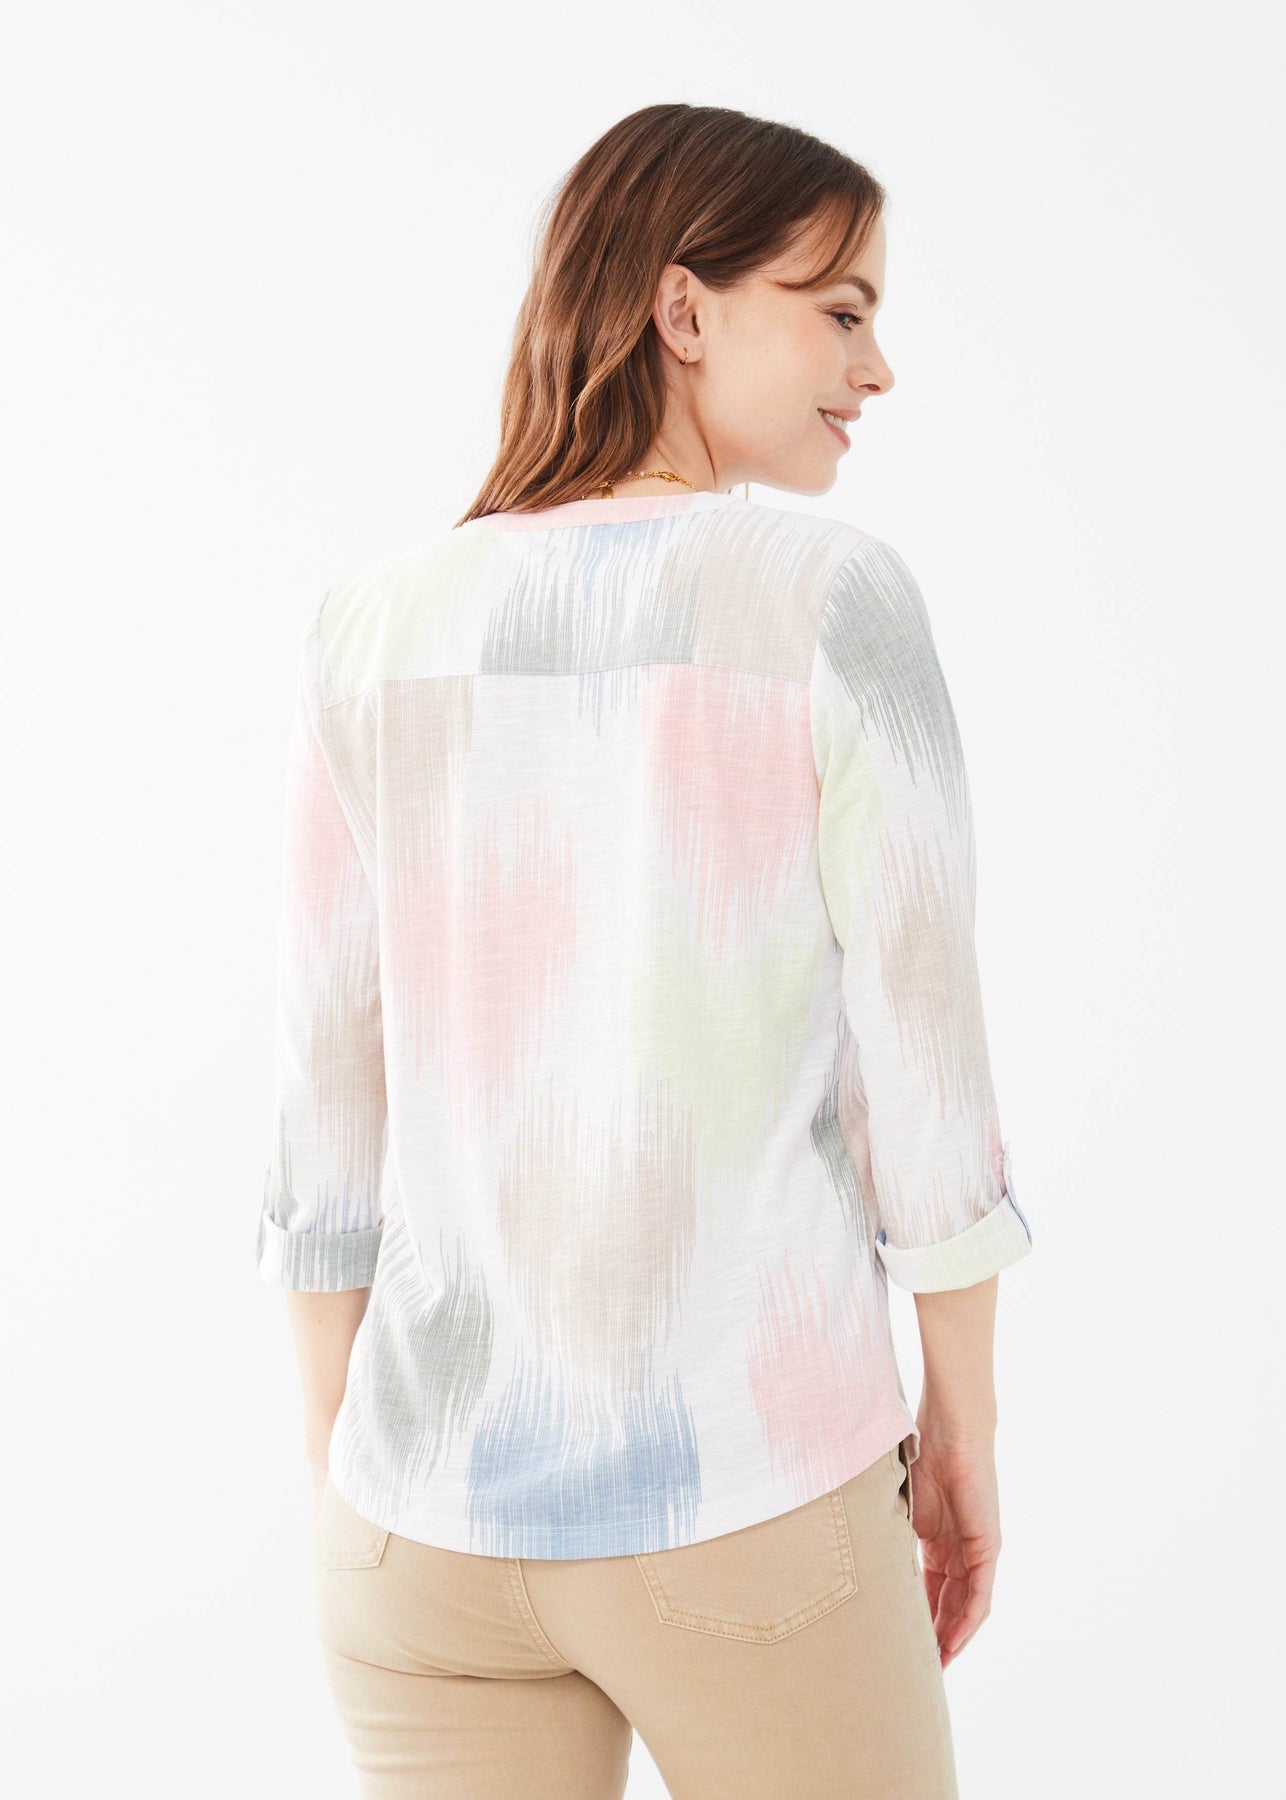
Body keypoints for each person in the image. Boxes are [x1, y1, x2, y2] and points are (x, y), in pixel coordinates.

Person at [255, 101, 1033, 1800]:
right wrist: (959, 1427)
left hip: (415, 1521)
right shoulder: (827, 600)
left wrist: (348, 1470)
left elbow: (327, 1093)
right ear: (683, 309)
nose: (876, 367)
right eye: (841, 310)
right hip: (740, 1492)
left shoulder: (368, 626)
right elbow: (923, 1064)